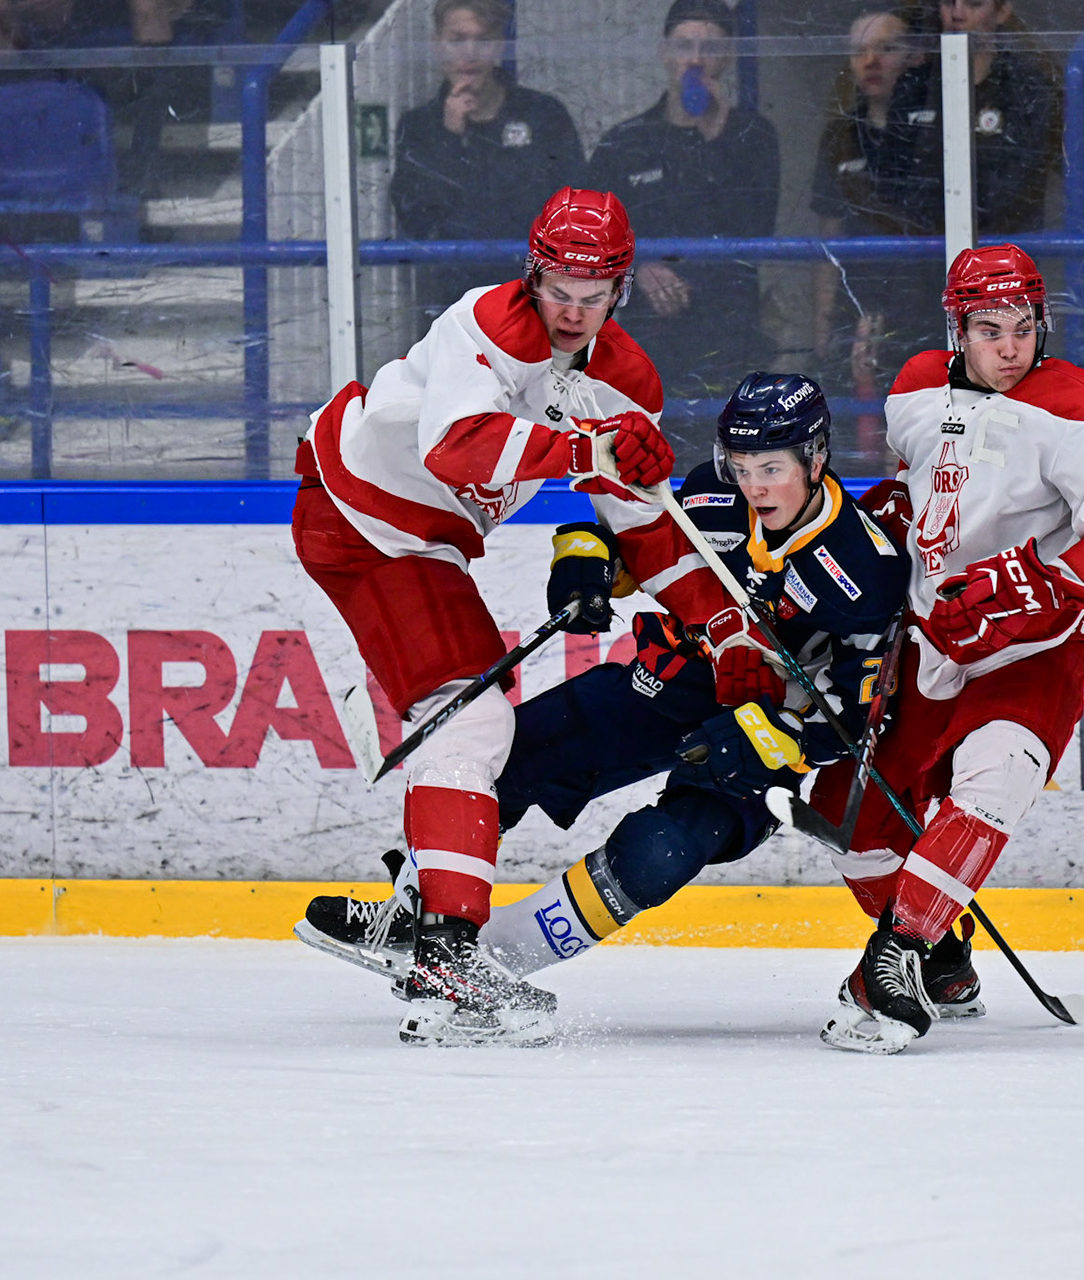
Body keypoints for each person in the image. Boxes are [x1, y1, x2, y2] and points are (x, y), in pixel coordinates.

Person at [297, 371, 910, 991]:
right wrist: (588, 563)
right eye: (741, 465)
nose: (752, 486)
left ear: (816, 458)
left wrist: (777, 739)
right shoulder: (709, 494)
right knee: (503, 760)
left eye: (771, 469)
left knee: (656, 854)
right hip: (665, 684)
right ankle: (415, 915)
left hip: (753, 738)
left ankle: (495, 963)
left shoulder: (865, 567)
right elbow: (632, 541)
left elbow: (856, 717)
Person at [289, 186, 725, 1047]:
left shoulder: (625, 382)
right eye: (558, 289)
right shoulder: (484, 321)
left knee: (471, 718)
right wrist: (589, 448)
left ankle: (414, 916)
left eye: (592, 294)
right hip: (361, 516)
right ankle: (447, 954)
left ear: (622, 288)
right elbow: (456, 447)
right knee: (472, 717)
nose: (571, 311)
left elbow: (645, 530)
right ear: (533, 275)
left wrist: (725, 627)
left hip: (421, 543)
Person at [808, 243, 1084, 1054]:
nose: (1010, 347)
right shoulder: (915, 387)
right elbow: (920, 489)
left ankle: (893, 960)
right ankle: (943, 957)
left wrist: (1030, 583)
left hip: (1031, 648)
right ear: (957, 329)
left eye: (1023, 328)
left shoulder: (1078, 403)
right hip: (928, 640)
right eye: (989, 330)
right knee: (849, 817)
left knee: (992, 783)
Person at [584, 0, 778, 404]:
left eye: (710, 48)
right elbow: (594, 239)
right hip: (649, 334)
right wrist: (639, 268)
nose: (695, 60)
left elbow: (756, 228)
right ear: (664, 52)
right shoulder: (627, 141)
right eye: (684, 46)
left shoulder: (753, 134)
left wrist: (716, 134)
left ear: (728, 57)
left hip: (729, 331)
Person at [391, 0, 584, 325]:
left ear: (500, 46)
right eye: (457, 40)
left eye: (482, 40)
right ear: (437, 45)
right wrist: (450, 137)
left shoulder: (543, 115)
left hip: (536, 302)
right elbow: (415, 219)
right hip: (453, 305)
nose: (470, 53)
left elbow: (576, 205)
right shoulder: (420, 127)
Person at [809, 7, 942, 440]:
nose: (871, 61)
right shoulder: (840, 136)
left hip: (929, 303)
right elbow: (830, 241)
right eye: (859, 51)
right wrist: (825, 331)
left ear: (916, 55)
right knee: (864, 434)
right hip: (862, 306)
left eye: (886, 48)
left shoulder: (940, 125)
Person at [935, 0, 1060, 234]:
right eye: (949, 3)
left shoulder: (1026, 87)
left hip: (1005, 244)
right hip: (925, 246)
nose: (957, 14)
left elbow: (1021, 183)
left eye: (973, 4)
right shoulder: (916, 86)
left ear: (1002, 12)